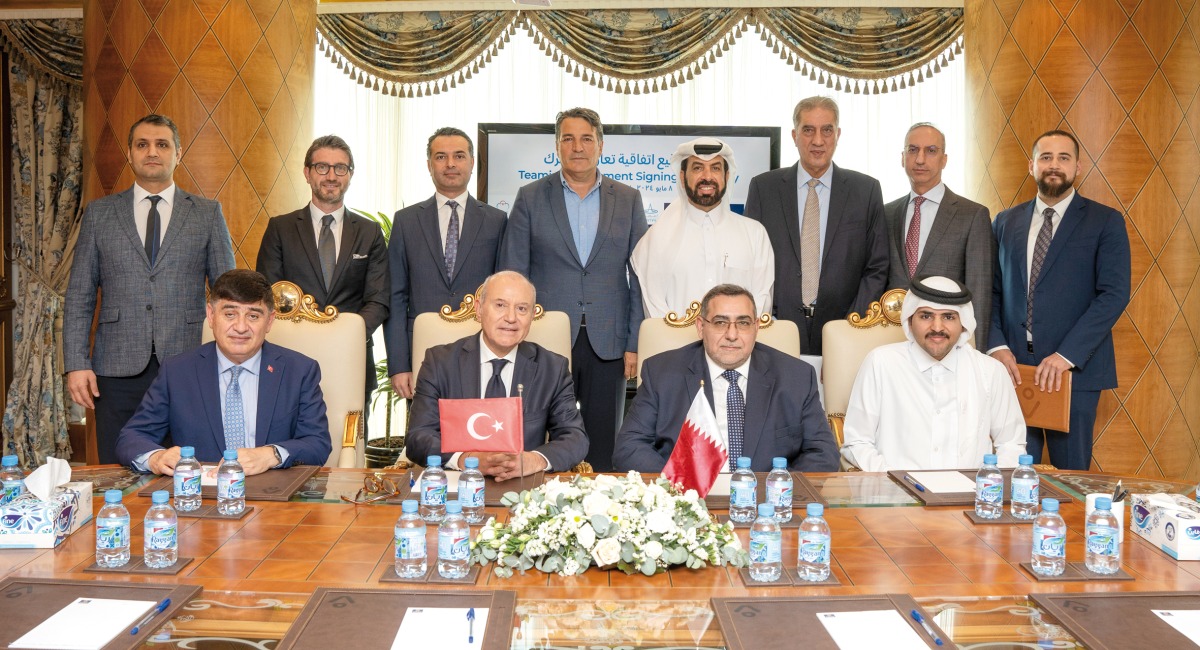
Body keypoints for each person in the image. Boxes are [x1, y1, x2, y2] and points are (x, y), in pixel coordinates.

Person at [64, 114, 235, 464]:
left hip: (189, 362)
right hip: (116, 367)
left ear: (178, 153)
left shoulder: (206, 214)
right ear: (130, 153)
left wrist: (232, 358)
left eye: (162, 144)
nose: (152, 152)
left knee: (190, 466)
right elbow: (80, 295)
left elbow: (228, 295)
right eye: (142, 145)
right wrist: (76, 364)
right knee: (119, 465)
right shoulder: (100, 214)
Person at [499, 107, 648, 472]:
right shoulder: (530, 197)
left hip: (608, 340)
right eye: (568, 139)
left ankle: (602, 503)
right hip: (543, 339)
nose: (577, 147)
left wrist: (634, 342)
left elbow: (640, 277)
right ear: (557, 146)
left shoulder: (628, 199)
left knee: (603, 443)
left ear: (601, 145)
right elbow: (512, 275)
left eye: (586, 139)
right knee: (536, 437)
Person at [988, 130, 1130, 470]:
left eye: (1064, 158)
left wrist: (1066, 355)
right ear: (1032, 165)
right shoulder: (1005, 221)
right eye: (1046, 157)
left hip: (1074, 373)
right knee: (1013, 473)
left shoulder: (1105, 221)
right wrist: (996, 346)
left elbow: (1113, 294)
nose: (1054, 165)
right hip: (1014, 371)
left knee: (1071, 476)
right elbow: (991, 291)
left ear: (1078, 167)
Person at [116, 270, 332, 475]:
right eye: (230, 314)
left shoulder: (299, 371)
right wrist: (156, 457)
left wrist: (271, 455)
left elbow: (317, 444)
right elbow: (132, 437)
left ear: (269, 321)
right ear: (211, 315)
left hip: (273, 493)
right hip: (198, 493)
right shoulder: (177, 372)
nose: (241, 327)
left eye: (253, 316)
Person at [612, 284, 839, 473]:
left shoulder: (796, 377)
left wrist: (773, 490)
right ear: (701, 327)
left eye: (743, 323)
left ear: (756, 327)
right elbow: (629, 448)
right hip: (688, 501)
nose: (732, 335)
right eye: (720, 322)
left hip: (766, 504)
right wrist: (681, 488)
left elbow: (823, 454)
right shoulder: (662, 373)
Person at [405, 271, 588, 480]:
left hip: (523, 487)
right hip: (458, 485)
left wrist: (533, 460)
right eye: (500, 305)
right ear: (479, 309)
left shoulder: (552, 368)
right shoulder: (440, 362)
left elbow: (575, 438)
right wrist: (467, 459)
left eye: (522, 309)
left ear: (532, 316)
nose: (511, 318)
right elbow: (418, 437)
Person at [743, 96, 888, 355]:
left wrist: (851, 326)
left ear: (838, 134)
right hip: (775, 329)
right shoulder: (763, 189)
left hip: (845, 330)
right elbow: (749, 261)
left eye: (827, 130)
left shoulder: (866, 191)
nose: (818, 141)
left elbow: (877, 267)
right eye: (808, 130)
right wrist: (765, 319)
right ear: (794, 135)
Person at [256, 135, 389, 415]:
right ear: (307, 173)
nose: (331, 176)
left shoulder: (370, 232)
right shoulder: (280, 229)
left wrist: (343, 337)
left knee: (351, 439)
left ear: (350, 175)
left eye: (340, 168)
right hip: (290, 359)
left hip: (351, 358)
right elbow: (268, 296)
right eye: (322, 167)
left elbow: (378, 300)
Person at [840, 275, 1026, 471]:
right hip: (895, 488)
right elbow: (857, 443)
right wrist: (894, 481)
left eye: (948, 317)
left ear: (963, 323)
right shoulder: (881, 363)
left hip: (971, 489)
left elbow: (1011, 444)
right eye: (926, 316)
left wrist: (987, 485)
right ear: (910, 321)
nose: (937, 327)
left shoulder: (991, 371)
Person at [384, 127, 507, 399]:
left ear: (472, 163)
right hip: (422, 353)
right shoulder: (406, 221)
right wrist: (399, 365)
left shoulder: (496, 221)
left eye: (459, 156)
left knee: (478, 424)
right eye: (441, 157)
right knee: (425, 426)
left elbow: (502, 296)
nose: (450, 164)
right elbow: (395, 297)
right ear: (429, 165)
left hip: (482, 351)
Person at [630, 137, 774, 318]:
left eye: (715, 168)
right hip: (674, 336)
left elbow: (761, 301)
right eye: (698, 168)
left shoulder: (755, 234)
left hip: (740, 337)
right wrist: (680, 335)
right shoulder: (657, 238)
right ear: (682, 177)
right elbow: (653, 305)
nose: (707, 176)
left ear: (727, 176)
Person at [885, 123, 995, 346]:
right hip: (891, 339)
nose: (920, 159)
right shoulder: (886, 213)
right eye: (913, 150)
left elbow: (980, 293)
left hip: (947, 342)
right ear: (902, 158)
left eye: (931, 151)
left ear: (944, 159)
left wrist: (976, 353)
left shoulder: (972, 215)